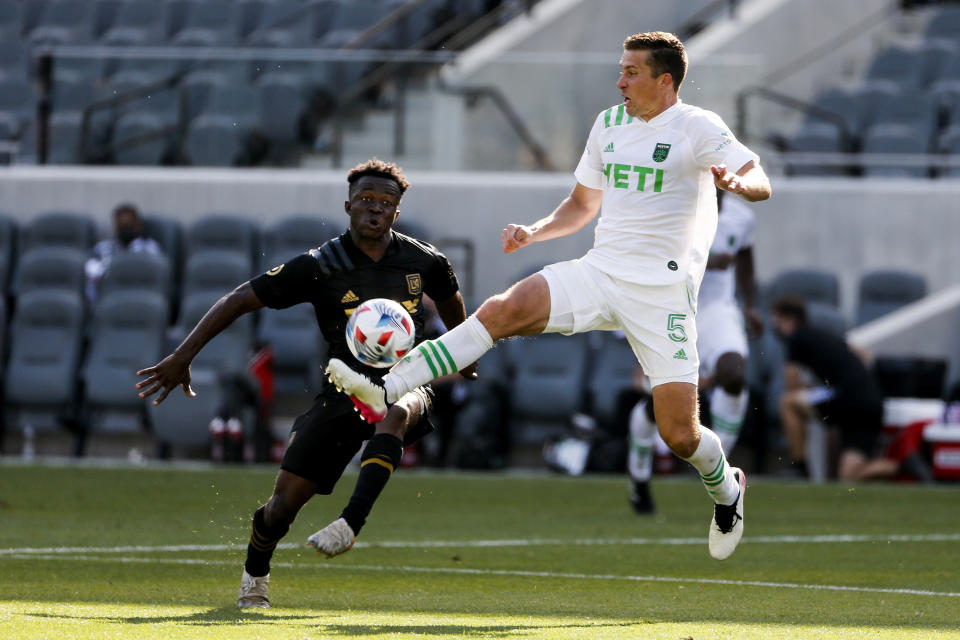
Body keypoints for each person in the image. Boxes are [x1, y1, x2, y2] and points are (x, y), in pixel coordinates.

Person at [326, 31, 771, 560]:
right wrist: (535, 232)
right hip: (601, 272)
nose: (621, 80)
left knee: (679, 434)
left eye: (631, 72)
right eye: (621, 68)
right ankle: (386, 385)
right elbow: (583, 205)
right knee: (502, 310)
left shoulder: (697, 126)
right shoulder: (609, 124)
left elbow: (757, 176)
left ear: (664, 79)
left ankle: (727, 488)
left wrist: (743, 186)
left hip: (662, 294)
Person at [135, 159, 472, 608]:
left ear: (397, 211)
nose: (376, 209)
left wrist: (463, 353)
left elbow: (452, 304)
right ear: (349, 205)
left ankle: (350, 524)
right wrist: (183, 355)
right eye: (367, 201)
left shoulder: (425, 260)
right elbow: (240, 299)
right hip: (343, 390)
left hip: (405, 377)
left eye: (386, 203)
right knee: (282, 508)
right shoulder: (321, 265)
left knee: (397, 410)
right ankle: (255, 575)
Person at [627, 188, 763, 513]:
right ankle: (639, 476)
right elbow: (648, 260)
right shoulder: (668, 207)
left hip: (717, 309)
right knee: (658, 406)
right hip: (671, 306)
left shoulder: (741, 217)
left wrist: (751, 306)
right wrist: (705, 262)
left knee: (734, 375)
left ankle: (718, 471)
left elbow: (745, 258)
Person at [771, 295, 895, 480]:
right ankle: (901, 466)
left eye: (777, 321)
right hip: (871, 404)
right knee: (848, 475)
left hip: (849, 401)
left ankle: (800, 469)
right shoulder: (825, 336)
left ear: (789, 320)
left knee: (788, 403)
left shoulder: (796, 338)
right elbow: (866, 355)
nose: (775, 327)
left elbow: (792, 386)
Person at [84, 203, 163, 303]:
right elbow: (91, 274)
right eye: (122, 226)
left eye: (129, 226)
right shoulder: (102, 248)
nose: (125, 230)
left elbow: (153, 276)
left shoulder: (150, 249)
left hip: (138, 296)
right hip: (109, 296)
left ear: (139, 226)